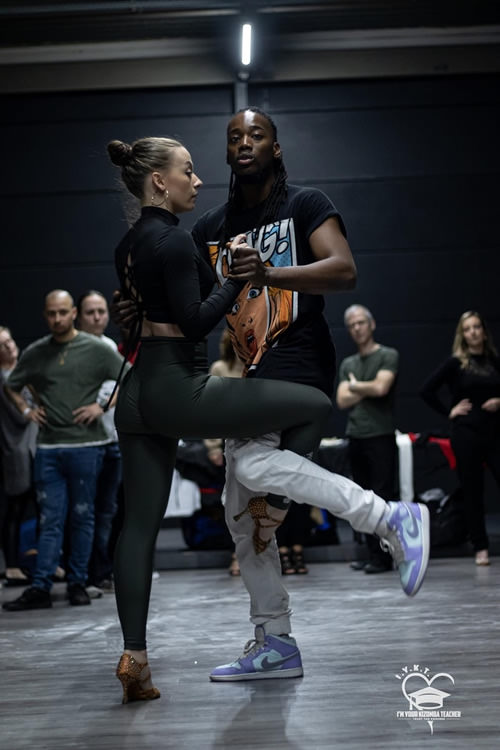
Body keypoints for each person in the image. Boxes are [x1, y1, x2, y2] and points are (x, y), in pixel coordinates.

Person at [107, 133, 429, 703]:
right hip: (179, 385)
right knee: (307, 415)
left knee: (151, 527)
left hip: (138, 392)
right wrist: (238, 279)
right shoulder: (182, 236)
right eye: (187, 170)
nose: (197, 179)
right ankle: (388, 518)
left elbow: (140, 311)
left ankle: (140, 655)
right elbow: (197, 319)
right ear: (159, 180)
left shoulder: (129, 244)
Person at [2, 290, 126, 611]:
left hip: (87, 446)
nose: (57, 319)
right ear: (45, 316)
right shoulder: (36, 352)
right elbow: (12, 384)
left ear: (73, 313)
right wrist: (27, 411)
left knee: (83, 516)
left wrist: (102, 406)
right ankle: (41, 586)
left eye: (62, 312)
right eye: (51, 313)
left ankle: (77, 583)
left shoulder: (96, 348)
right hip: (49, 447)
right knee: (51, 519)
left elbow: (126, 376)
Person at [420, 310, 500, 566]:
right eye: (467, 329)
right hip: (466, 434)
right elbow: (426, 390)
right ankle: (480, 546)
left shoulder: (494, 361)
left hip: (494, 432)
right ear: (462, 335)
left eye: (477, 327)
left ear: (484, 332)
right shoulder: (456, 363)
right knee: (472, 491)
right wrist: (449, 411)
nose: (473, 332)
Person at [336, 304, 399, 574]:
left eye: (361, 322)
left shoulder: (387, 355)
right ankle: (373, 555)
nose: (357, 328)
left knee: (383, 497)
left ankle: (387, 557)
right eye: (351, 325)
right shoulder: (348, 364)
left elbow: (382, 387)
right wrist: (367, 387)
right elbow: (341, 400)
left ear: (371, 324)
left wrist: (355, 386)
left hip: (380, 435)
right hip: (356, 436)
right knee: (362, 499)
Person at [77, 290, 122, 593]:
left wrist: (101, 406)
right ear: (78, 316)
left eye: (101, 311)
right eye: (90, 312)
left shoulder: (108, 347)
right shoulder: (71, 347)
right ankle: (80, 575)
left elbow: (122, 381)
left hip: (111, 439)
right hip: (81, 441)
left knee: (107, 510)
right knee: (82, 512)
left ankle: (100, 572)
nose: (97, 317)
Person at [0, 326, 38, 586]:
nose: (8, 346)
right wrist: (34, 408)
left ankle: (47, 562)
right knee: (15, 507)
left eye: (9, 340)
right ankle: (12, 566)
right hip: (16, 449)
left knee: (41, 506)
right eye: (1, 344)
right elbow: (21, 415)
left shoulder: (24, 369)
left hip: (35, 447)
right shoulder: (4, 380)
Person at [209, 329, 244, 574]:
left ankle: (258, 551)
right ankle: (237, 553)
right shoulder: (220, 368)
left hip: (257, 439)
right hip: (229, 444)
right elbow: (208, 410)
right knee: (233, 502)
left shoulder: (256, 367)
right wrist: (212, 446)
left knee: (259, 502)